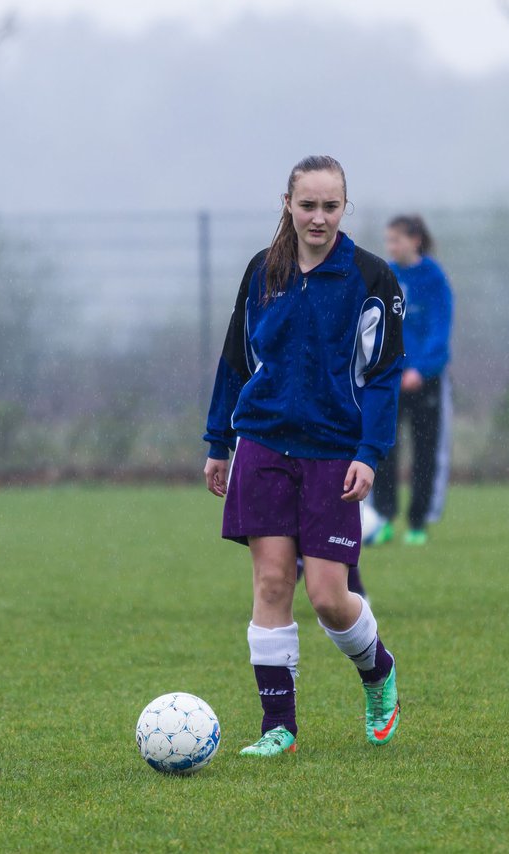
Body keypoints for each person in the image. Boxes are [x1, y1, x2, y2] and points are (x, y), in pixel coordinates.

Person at [203, 155, 405, 756]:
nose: (318, 218)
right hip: (263, 443)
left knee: (326, 596)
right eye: (308, 205)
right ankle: (278, 729)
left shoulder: (372, 279)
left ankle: (377, 672)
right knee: (270, 584)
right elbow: (235, 359)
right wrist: (219, 441)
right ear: (287, 204)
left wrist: (370, 452)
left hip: (333, 453)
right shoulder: (262, 272)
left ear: (346, 208)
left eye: (330, 206)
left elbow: (386, 376)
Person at [368, 214, 454, 547]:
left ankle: (418, 523)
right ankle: (384, 518)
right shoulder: (385, 275)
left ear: (415, 240)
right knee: (384, 448)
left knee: (426, 451)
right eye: (388, 240)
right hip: (391, 378)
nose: (391, 246)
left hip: (427, 380)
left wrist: (422, 368)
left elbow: (439, 328)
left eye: (397, 240)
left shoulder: (433, 278)